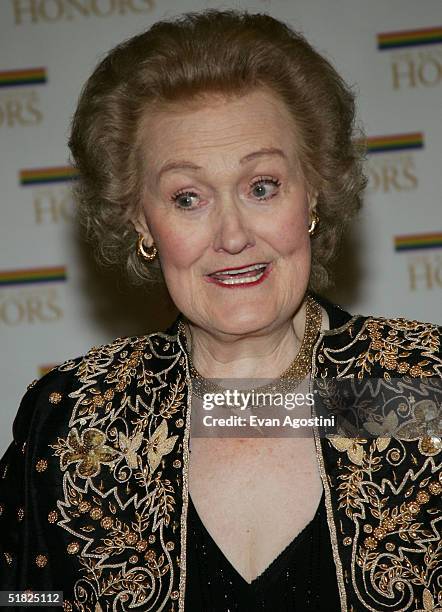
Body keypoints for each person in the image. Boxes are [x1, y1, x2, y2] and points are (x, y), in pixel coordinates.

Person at [0, 8, 441, 612]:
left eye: (262, 186)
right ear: (141, 222)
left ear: (311, 192)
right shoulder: (76, 421)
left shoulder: (420, 389)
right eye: (188, 198)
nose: (233, 235)